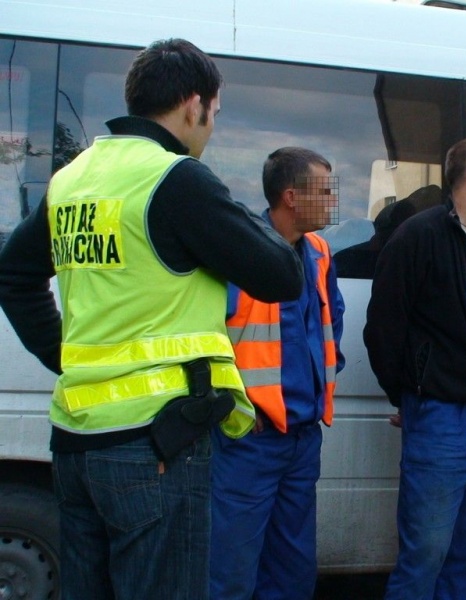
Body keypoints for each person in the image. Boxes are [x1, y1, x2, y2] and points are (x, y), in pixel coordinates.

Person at [0, 39, 303, 600]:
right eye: (215, 113)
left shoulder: (74, 178)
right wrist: (230, 204)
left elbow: (13, 275)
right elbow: (282, 274)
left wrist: (64, 354)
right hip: (156, 446)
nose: (211, 128)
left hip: (75, 439)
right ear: (194, 105)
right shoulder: (176, 179)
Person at [364, 137, 466, 600]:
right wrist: (409, 395)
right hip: (440, 420)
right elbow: (383, 327)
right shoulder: (419, 236)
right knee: (425, 553)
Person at [210, 147, 345, 600]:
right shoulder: (239, 248)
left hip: (302, 437)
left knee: (292, 571)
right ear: (291, 196)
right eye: (324, 191)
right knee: (229, 571)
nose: (332, 201)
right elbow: (210, 339)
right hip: (251, 438)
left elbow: (332, 327)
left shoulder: (321, 253)